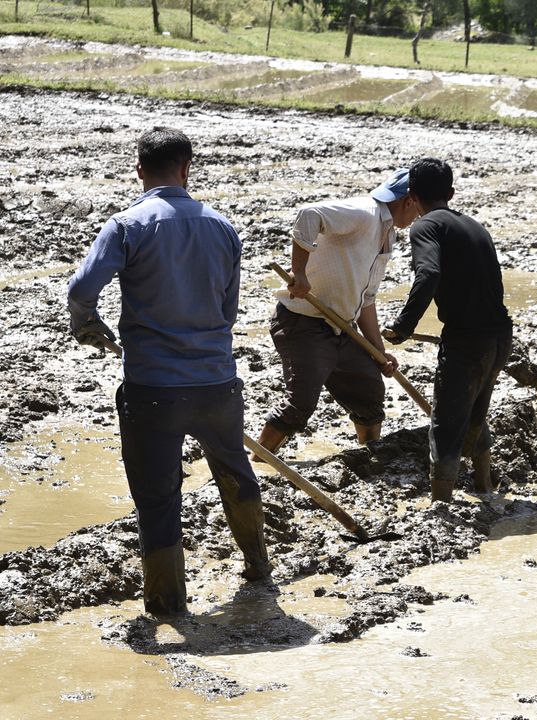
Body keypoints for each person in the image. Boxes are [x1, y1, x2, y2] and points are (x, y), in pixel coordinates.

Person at [67, 127, 270, 616]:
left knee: (158, 496)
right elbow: (229, 309)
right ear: (186, 168)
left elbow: (81, 289)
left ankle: (167, 603)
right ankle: (259, 568)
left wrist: (87, 324)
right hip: (217, 383)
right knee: (235, 472)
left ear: (140, 170)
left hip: (153, 387)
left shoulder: (127, 224)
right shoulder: (222, 226)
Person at [256, 168, 421, 457]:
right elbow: (310, 215)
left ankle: (371, 457)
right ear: (409, 200)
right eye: (419, 208)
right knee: (300, 405)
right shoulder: (365, 212)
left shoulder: (387, 234)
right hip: (303, 322)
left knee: (370, 396)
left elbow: (366, 299)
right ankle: (256, 463)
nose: (419, 217)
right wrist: (299, 272)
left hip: (342, 328)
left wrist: (377, 351)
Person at [382, 158, 513, 502]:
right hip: (499, 336)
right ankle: (485, 487)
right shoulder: (474, 226)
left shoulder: (425, 227)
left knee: (446, 422)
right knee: (474, 413)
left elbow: (429, 273)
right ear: (451, 193)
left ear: (410, 196)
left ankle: (441, 504)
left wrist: (402, 327)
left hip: (467, 340)